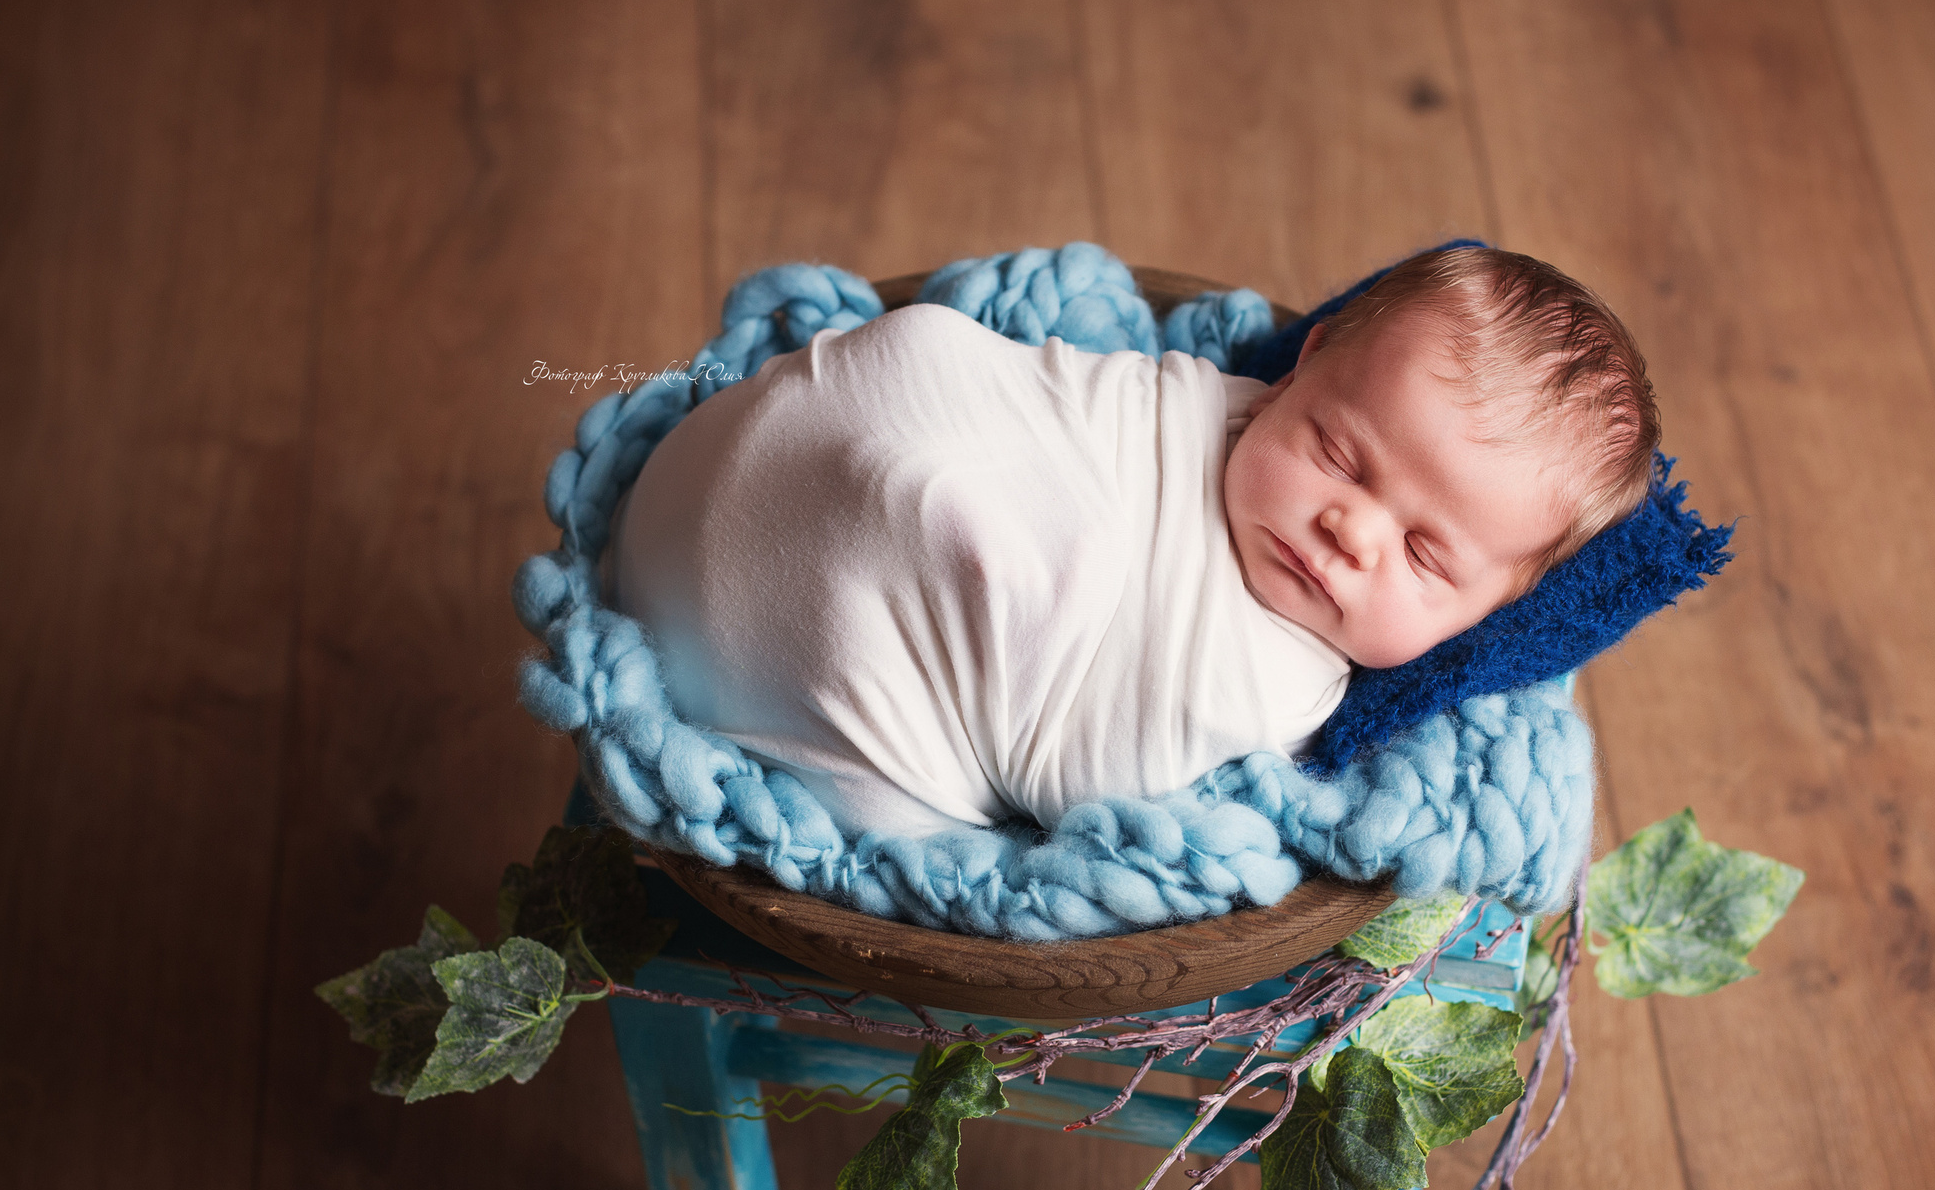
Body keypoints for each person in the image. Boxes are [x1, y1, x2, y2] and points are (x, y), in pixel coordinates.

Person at [604, 245, 1658, 841]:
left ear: (1494, 615)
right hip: (757, 670)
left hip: (684, 519)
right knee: (921, 410)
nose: (1351, 531)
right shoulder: (1267, 685)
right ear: (1302, 367)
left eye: (1425, 558)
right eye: (1339, 454)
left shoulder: (1227, 460)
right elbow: (1082, 806)